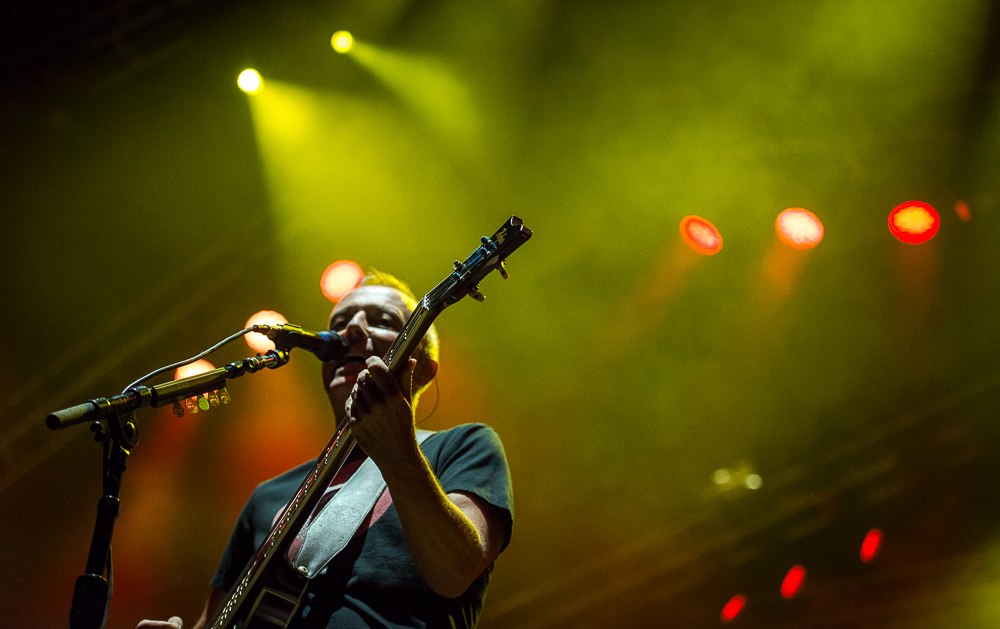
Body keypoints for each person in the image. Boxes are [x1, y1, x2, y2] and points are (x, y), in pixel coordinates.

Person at [138, 271, 514, 629]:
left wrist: (396, 449)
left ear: (425, 370)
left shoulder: (463, 446)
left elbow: (454, 571)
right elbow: (217, 619)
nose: (351, 330)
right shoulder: (269, 495)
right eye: (339, 324)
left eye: (382, 319)